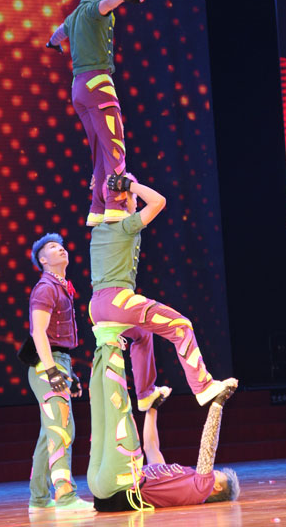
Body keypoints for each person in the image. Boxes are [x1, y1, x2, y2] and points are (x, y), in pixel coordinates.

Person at [89, 173, 237, 411]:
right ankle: (204, 387)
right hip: (119, 301)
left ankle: (145, 394)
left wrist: (100, 186)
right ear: (124, 198)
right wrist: (129, 184)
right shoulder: (126, 225)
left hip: (96, 307)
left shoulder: (98, 228)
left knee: (142, 334)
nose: (136, 201)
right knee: (181, 326)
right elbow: (158, 201)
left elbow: (101, 199)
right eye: (134, 197)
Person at [87, 329, 240, 511]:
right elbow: (151, 447)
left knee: (120, 415)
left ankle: (110, 339)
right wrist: (153, 408)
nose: (212, 470)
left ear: (217, 487)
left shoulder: (202, 489)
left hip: (122, 488)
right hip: (104, 488)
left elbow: (208, 448)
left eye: (218, 473)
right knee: (100, 415)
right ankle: (103, 341)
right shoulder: (179, 478)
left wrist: (218, 404)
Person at [46, 0, 146, 226]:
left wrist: (53, 44)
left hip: (79, 89)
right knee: (114, 146)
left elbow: (56, 35)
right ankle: (115, 202)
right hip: (98, 85)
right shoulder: (94, 8)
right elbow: (107, 4)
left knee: (100, 149)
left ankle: (97, 208)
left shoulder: (73, 16)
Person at [26, 233, 94, 513]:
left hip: (57, 361)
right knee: (61, 429)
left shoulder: (62, 287)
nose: (61, 249)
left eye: (62, 246)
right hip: (47, 364)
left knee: (50, 433)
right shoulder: (46, 288)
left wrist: (68, 372)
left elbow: (58, 343)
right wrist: (53, 371)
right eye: (53, 247)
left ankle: (39, 499)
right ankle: (65, 497)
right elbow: (38, 332)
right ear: (43, 260)